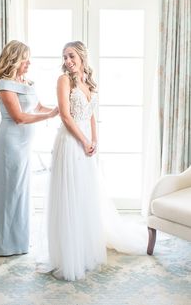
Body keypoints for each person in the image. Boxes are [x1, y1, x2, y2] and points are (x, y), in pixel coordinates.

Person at [45, 41, 147, 281]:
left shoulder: (87, 82)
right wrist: (83, 141)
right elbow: (67, 117)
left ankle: (84, 249)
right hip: (70, 143)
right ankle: (68, 256)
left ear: (81, 57)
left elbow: (90, 114)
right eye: (65, 57)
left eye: (71, 56)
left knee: (84, 196)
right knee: (69, 196)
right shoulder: (63, 81)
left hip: (85, 144)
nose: (68, 61)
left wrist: (95, 141)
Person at [0, 40, 58, 256]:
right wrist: (49, 115)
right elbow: (19, 117)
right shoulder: (4, 84)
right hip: (10, 142)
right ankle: (2, 245)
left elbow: (37, 106)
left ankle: (18, 241)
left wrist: (59, 109)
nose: (28, 63)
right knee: (10, 191)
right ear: (15, 59)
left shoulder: (27, 82)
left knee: (21, 191)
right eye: (25, 59)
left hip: (25, 144)